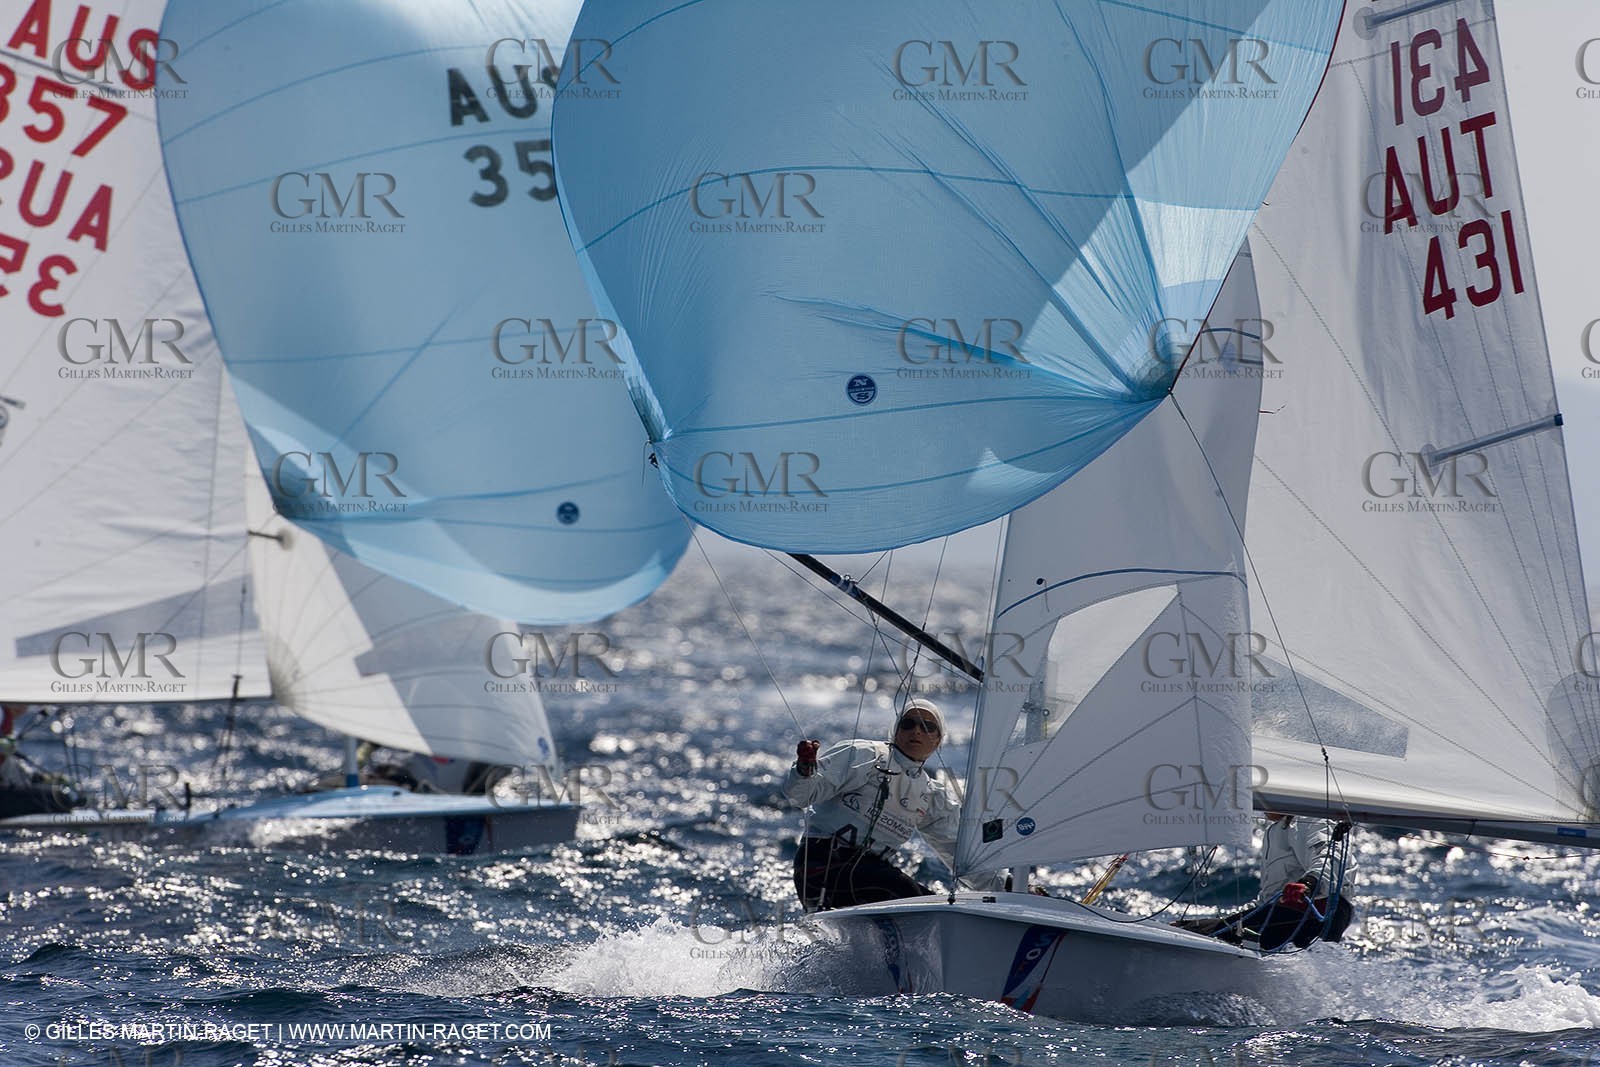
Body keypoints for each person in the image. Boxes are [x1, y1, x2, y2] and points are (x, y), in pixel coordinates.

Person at [784, 697, 985, 911]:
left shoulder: (931, 795)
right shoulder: (865, 755)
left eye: (927, 727)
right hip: (822, 868)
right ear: (896, 731)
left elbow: (959, 851)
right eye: (908, 724)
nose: (916, 731)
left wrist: (1009, 886)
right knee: (921, 900)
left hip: (871, 875)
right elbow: (801, 796)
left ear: (937, 740)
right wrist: (804, 771)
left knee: (929, 901)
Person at [1176, 812, 1355, 950]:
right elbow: (1267, 899)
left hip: (1313, 913)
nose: (1261, 808)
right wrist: (1228, 919)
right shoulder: (1276, 831)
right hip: (1281, 914)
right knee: (1186, 929)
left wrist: (1309, 883)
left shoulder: (1311, 819)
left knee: (1206, 934)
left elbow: (1331, 856)